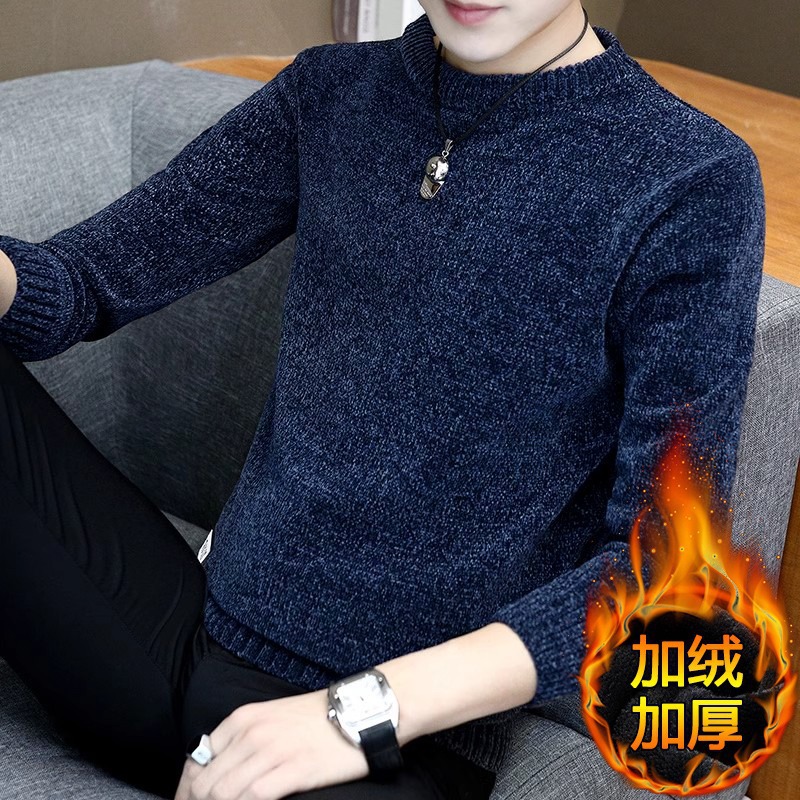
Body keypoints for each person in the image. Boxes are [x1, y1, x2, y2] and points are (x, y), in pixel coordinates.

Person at [0, 1, 765, 799]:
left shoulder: (689, 179)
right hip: (179, 640)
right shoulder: (332, 92)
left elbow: (659, 564)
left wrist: (356, 714)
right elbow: (83, 282)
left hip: (403, 740)